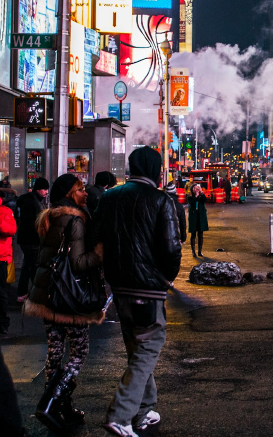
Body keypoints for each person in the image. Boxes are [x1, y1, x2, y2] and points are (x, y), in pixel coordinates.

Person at [90, 146, 181, 437]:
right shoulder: (160, 200)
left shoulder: (110, 196)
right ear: (154, 170)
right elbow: (171, 248)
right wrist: (166, 279)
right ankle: (120, 415)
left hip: (119, 285)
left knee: (137, 346)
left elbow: (96, 237)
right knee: (149, 346)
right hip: (148, 287)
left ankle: (144, 409)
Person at [24, 174, 104, 433]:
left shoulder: (51, 217)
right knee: (78, 353)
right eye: (80, 189)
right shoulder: (76, 220)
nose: (85, 193)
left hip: (47, 294)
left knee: (55, 352)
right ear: (71, 194)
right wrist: (100, 253)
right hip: (69, 297)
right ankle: (51, 402)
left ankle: (62, 407)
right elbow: (79, 264)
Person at [15, 177, 49, 303]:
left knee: (27, 266)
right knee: (33, 267)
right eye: (44, 189)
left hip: (27, 239)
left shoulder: (31, 200)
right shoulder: (32, 202)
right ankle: (37, 296)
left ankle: (22, 293)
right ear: (38, 189)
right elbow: (31, 222)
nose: (46, 192)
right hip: (31, 239)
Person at [0, 191, 17, 334]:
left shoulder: (5, 212)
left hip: (1, 257)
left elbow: (10, 230)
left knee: (1, 291)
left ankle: (2, 323)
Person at [187, 183, 208, 257]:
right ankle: (193, 251)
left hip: (200, 217)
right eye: (194, 188)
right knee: (193, 235)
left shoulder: (201, 196)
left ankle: (200, 251)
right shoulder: (190, 197)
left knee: (200, 234)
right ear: (192, 190)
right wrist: (195, 196)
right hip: (193, 218)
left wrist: (201, 193)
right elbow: (192, 203)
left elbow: (205, 200)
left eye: (197, 188)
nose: (196, 190)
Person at [164, 182, 186, 248]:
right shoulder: (179, 206)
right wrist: (183, 237)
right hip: (176, 235)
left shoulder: (162, 203)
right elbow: (182, 223)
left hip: (164, 235)